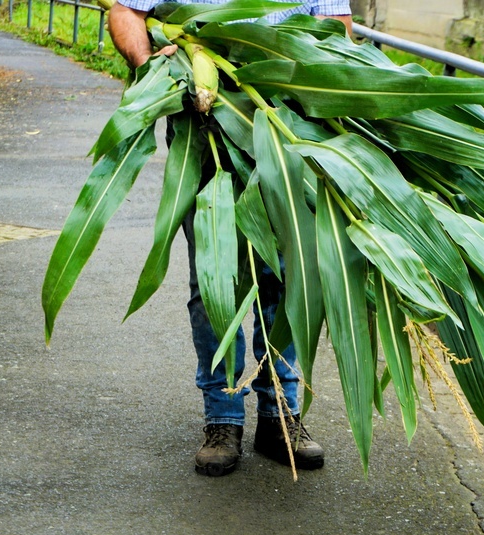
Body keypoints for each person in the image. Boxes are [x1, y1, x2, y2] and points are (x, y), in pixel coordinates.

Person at [108, 0, 353, 477]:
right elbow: (126, 11)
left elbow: (336, 25)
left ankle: (280, 414)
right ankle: (222, 418)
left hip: (284, 136)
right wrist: (151, 67)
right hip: (204, 137)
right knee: (213, 281)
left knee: (285, 276)